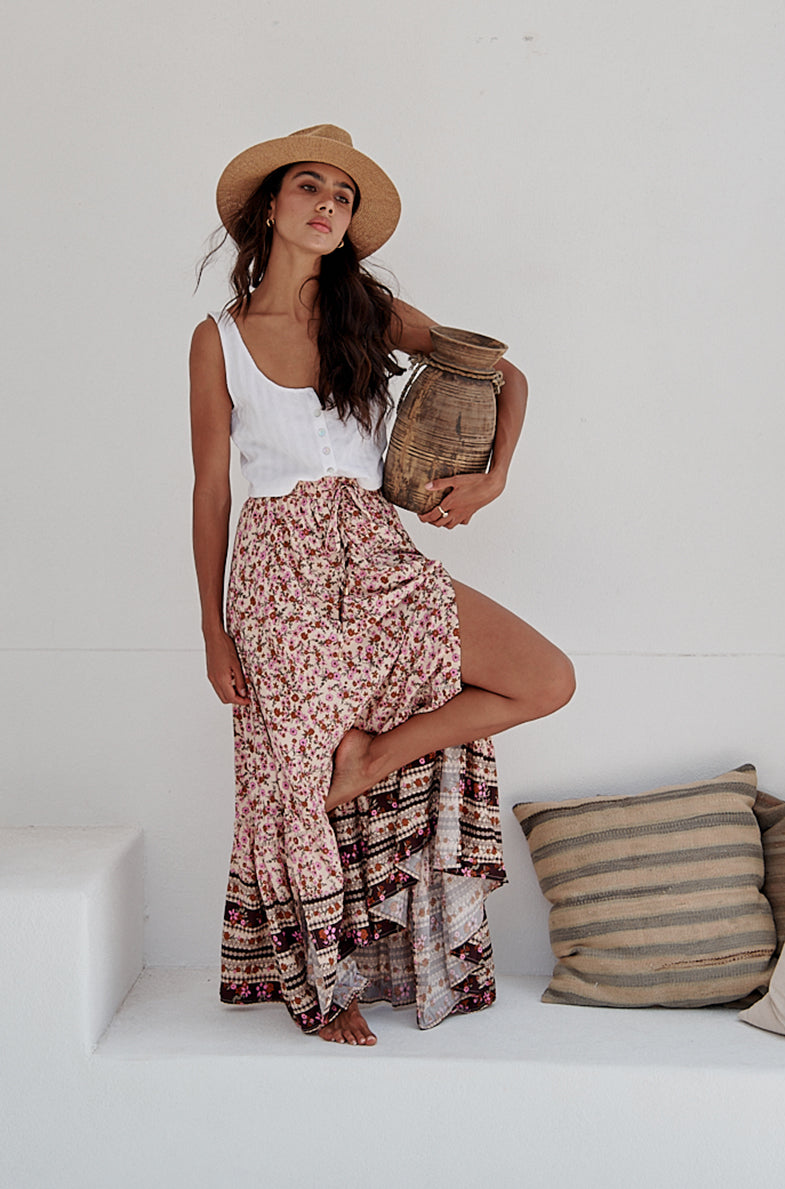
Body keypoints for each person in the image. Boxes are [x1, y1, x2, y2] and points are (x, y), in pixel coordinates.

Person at [190, 124, 575, 1046]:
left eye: (344, 197)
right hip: (278, 570)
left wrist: (493, 479)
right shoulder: (219, 340)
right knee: (292, 777)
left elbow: (503, 371)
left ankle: (378, 754)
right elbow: (210, 488)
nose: (328, 205)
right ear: (270, 209)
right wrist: (212, 629)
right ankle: (325, 988)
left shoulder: (368, 313)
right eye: (310, 188)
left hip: (376, 550)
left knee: (543, 677)